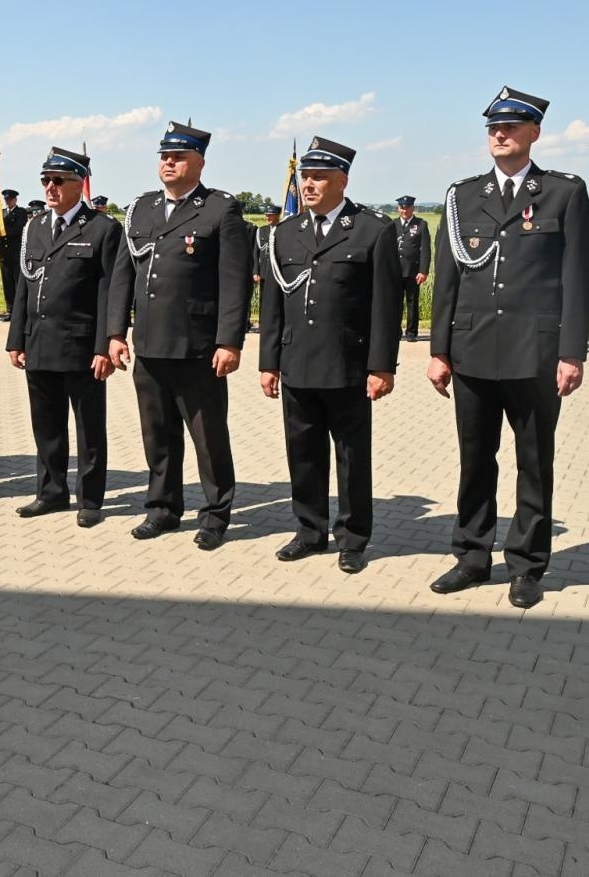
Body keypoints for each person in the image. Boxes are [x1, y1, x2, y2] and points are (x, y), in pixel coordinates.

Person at [426, 86, 589, 609]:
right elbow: (447, 281)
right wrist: (438, 350)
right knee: (475, 460)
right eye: (493, 128)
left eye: (512, 127)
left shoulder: (563, 193)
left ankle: (526, 565)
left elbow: (576, 276)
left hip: (535, 354)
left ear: (533, 133)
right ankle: (472, 556)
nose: (500, 134)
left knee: (534, 461)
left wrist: (573, 353)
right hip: (473, 350)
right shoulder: (462, 196)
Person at [259, 137, 401, 575]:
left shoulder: (372, 230)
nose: (308, 185)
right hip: (296, 361)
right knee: (302, 451)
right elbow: (272, 304)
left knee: (351, 456)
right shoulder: (284, 232)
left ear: (342, 180)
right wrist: (268, 362)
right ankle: (309, 530)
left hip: (347, 365)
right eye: (305, 177)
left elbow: (386, 306)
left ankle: (353, 538)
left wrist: (381, 366)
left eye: (319, 177)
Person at [107, 121, 252, 551]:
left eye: (179, 156)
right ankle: (163, 509)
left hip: (197, 347)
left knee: (207, 435)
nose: (169, 162)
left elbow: (234, 281)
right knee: (158, 433)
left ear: (199, 162)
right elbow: (122, 277)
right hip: (149, 344)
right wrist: (116, 332)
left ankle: (215, 514)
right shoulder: (142, 208)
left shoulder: (219, 210)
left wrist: (230, 341)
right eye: (164, 156)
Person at [7, 147, 122, 527]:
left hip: (80, 346)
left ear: (79, 183)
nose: (50, 188)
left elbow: (109, 292)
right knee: (46, 425)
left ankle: (90, 500)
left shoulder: (103, 229)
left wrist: (105, 345)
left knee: (89, 427)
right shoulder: (35, 226)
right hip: (38, 341)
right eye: (45, 181)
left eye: (58, 180)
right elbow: (24, 285)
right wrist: (16, 339)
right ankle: (51, 492)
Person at [392, 194, 431, 342]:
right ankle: (395, 330)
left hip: (413, 271)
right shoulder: (392, 224)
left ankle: (411, 332)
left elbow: (425, 249)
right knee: (395, 302)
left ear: (413, 208)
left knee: (412, 302)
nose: (404, 210)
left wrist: (424, 271)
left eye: (407, 207)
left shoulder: (421, 224)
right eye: (402, 207)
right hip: (396, 270)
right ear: (398, 209)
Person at [0, 188, 28, 323]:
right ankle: (10, 309)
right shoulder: (1, 213)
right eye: (6, 200)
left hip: (16, 253)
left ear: (15, 200)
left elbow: (17, 229)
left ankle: (20, 311)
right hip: (4, 254)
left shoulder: (21, 212)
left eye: (10, 199)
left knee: (17, 282)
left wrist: (3, 229)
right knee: (7, 283)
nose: (8, 202)